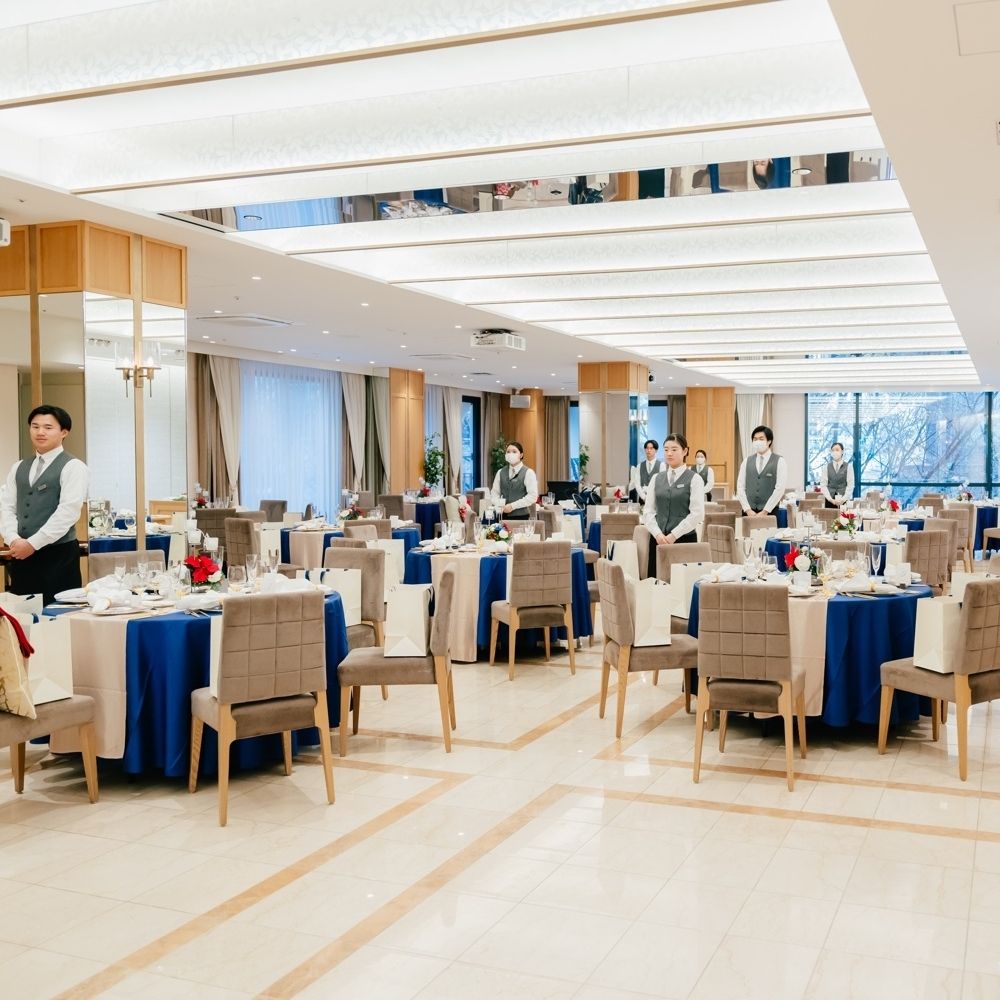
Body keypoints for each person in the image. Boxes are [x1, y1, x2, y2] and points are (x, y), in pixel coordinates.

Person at [0, 405, 89, 605]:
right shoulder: (19, 467)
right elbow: (7, 507)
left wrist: (32, 544)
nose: (40, 432)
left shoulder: (73, 467)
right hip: (22, 554)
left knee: (58, 614)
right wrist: (13, 539)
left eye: (48, 427)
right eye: (35, 426)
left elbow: (68, 512)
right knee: (23, 613)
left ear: (64, 432)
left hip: (58, 555)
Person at [642, 433, 705, 576]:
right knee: (656, 582)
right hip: (658, 540)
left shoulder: (695, 479)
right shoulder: (656, 478)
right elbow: (648, 511)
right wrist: (658, 534)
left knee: (682, 583)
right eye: (666, 449)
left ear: (685, 451)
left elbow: (697, 514)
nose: (669, 453)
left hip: (684, 540)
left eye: (674, 449)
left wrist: (673, 535)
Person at [736, 425, 787, 516]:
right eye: (755, 439)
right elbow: (740, 487)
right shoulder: (746, 461)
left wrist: (765, 511)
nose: (757, 442)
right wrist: (747, 509)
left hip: (770, 511)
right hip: (748, 512)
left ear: (769, 441)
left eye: (761, 439)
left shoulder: (779, 461)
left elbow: (780, 489)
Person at [489, 440, 538, 521]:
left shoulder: (528, 472)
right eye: (508, 452)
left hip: (521, 517)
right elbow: (495, 492)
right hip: (501, 516)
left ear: (521, 455)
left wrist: (512, 506)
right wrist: (498, 504)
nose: (510, 454)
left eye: (514, 452)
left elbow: (532, 496)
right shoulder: (500, 472)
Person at [820, 442, 853, 508]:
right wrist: (830, 499)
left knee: (844, 515)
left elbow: (850, 485)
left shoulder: (848, 467)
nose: (835, 452)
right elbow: (823, 485)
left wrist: (843, 499)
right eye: (833, 450)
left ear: (842, 451)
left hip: (844, 500)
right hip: (830, 500)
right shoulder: (826, 467)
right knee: (829, 515)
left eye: (837, 450)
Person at [628, 439, 662, 503]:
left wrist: (651, 495)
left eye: (651, 448)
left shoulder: (661, 465)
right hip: (642, 499)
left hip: (656, 499)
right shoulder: (639, 466)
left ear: (656, 450)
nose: (649, 450)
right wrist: (644, 497)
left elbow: (661, 484)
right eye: (647, 448)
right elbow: (637, 484)